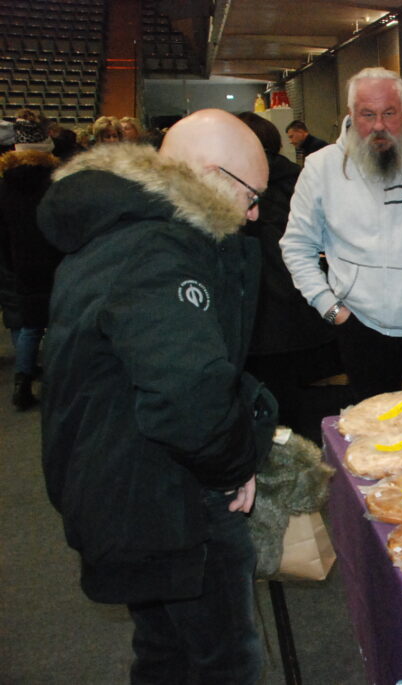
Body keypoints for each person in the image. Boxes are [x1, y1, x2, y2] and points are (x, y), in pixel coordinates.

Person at [38, 109, 277, 683]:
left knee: (166, 650)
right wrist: (233, 464)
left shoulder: (120, 228)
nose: (254, 212)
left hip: (122, 482)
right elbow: (187, 394)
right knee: (224, 659)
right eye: (251, 195)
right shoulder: (160, 250)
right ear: (211, 175)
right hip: (165, 496)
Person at [281, 67, 402, 401]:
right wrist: (332, 309)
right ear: (350, 114)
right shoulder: (321, 167)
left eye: (389, 113)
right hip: (359, 326)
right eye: (367, 114)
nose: (378, 126)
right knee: (373, 427)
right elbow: (297, 246)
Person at [236, 111, 338, 439]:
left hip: (256, 314)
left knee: (260, 406)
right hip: (300, 308)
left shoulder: (238, 185)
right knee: (297, 403)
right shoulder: (298, 179)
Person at [0, 147, 62, 409]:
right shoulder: (54, 183)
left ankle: (22, 382)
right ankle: (61, 382)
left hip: (20, 262)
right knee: (60, 323)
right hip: (54, 259)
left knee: (29, 325)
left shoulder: (5, 185)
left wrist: (10, 261)